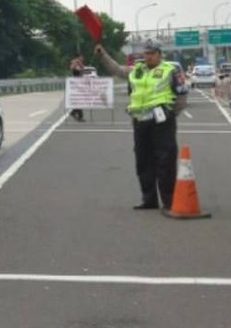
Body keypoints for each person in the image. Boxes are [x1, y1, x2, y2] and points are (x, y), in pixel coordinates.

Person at [95, 38, 187, 210]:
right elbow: (117, 69)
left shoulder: (170, 70)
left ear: (160, 55)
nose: (148, 57)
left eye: (152, 53)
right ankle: (149, 199)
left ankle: (169, 200)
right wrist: (103, 55)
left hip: (162, 121)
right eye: (146, 53)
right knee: (143, 161)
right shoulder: (137, 70)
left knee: (165, 160)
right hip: (140, 121)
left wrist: (173, 113)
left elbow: (182, 94)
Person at [69, 52, 85, 121]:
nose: (83, 58)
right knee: (79, 100)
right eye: (81, 57)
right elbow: (72, 69)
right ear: (78, 57)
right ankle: (79, 115)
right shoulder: (75, 63)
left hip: (79, 83)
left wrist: (80, 64)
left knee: (80, 100)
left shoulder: (79, 64)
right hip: (76, 84)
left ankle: (75, 112)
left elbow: (82, 69)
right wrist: (76, 63)